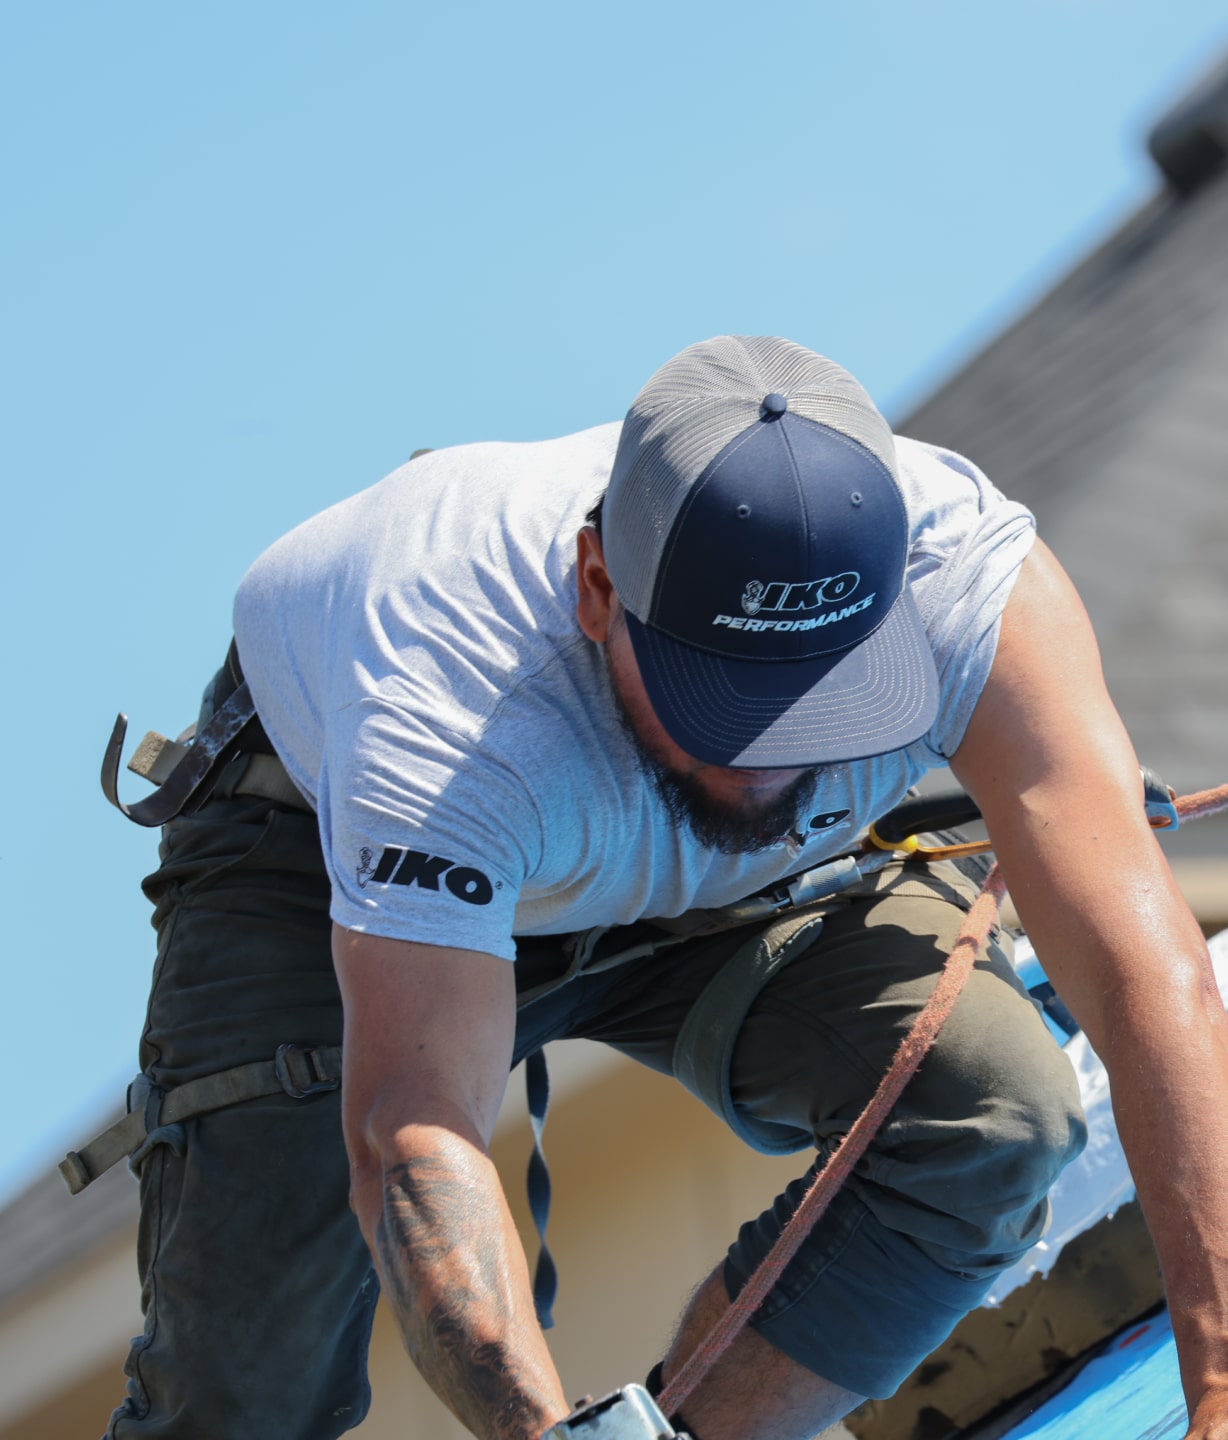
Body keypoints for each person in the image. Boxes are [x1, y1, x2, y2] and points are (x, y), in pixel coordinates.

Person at [90, 335, 1228, 1440]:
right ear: (598, 586)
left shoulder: (969, 587)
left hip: (731, 877)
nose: (771, 761)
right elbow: (413, 1136)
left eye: (819, 709)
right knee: (246, 1396)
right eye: (727, 709)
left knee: (993, 1113)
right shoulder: (443, 711)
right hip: (336, 877)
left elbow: (1147, 985)